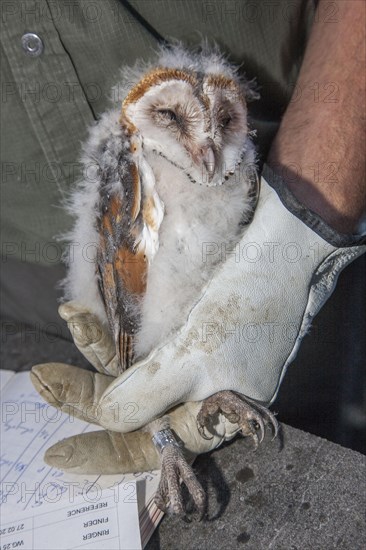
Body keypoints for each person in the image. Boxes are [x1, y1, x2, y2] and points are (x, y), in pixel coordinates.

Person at [1, 0, 365, 468]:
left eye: (224, 123)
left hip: (298, 196)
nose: (206, 149)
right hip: (22, 263)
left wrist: (293, 246)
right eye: (174, 120)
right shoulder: (133, 179)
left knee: (297, 455)